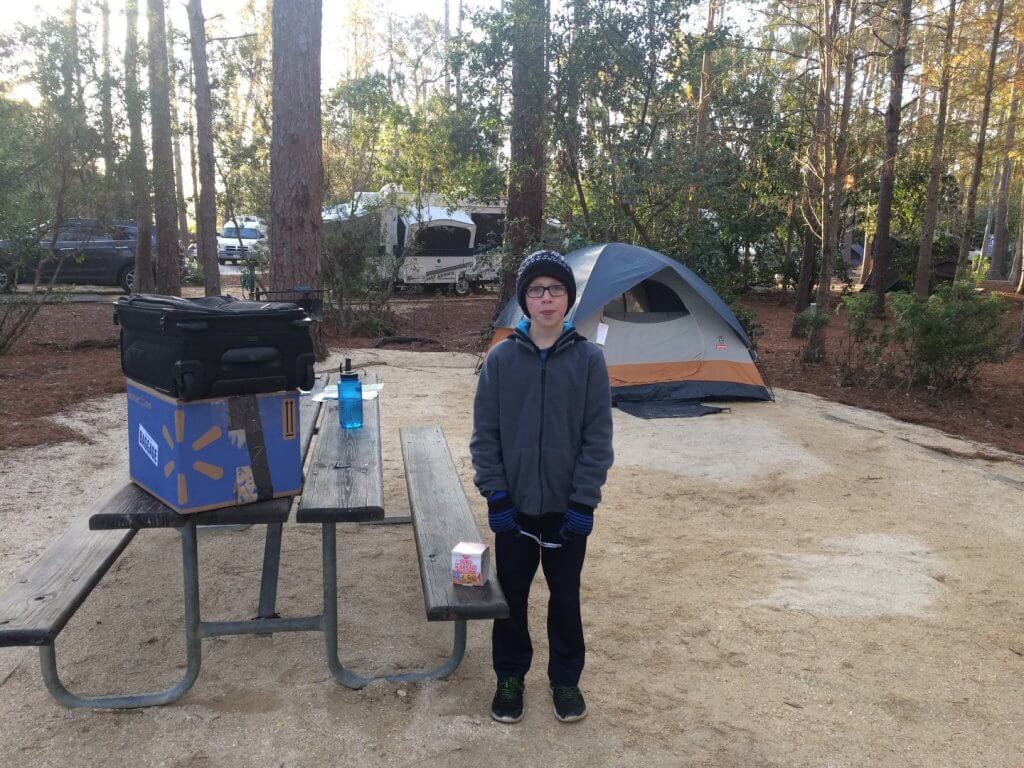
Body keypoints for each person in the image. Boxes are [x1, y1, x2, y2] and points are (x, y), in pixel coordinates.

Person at [470, 249, 614, 724]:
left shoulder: (590, 361)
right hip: (514, 508)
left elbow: (597, 439)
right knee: (510, 596)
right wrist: (496, 496)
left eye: (555, 289)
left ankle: (565, 681)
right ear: (524, 301)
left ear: (568, 299)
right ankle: (510, 677)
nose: (546, 298)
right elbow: (484, 436)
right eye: (536, 290)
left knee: (565, 596)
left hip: (566, 509)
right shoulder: (501, 360)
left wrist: (583, 501)